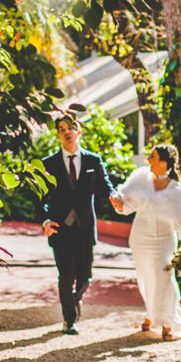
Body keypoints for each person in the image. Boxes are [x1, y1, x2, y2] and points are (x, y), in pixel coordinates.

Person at [41, 112, 118, 335]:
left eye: (70, 128)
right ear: (58, 136)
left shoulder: (93, 160)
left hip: (84, 228)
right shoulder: (49, 163)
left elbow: (105, 185)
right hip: (59, 228)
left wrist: (113, 196)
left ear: (79, 131)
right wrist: (45, 220)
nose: (66, 132)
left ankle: (74, 301)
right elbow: (40, 197)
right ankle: (69, 320)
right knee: (66, 275)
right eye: (61, 130)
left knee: (85, 278)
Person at [112, 144, 181, 341]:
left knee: (164, 278)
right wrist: (119, 205)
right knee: (146, 277)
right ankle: (150, 313)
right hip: (140, 238)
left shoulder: (180, 190)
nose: (148, 160)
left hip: (165, 240)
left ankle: (167, 322)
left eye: (153, 157)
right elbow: (127, 207)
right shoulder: (141, 180)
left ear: (164, 162)